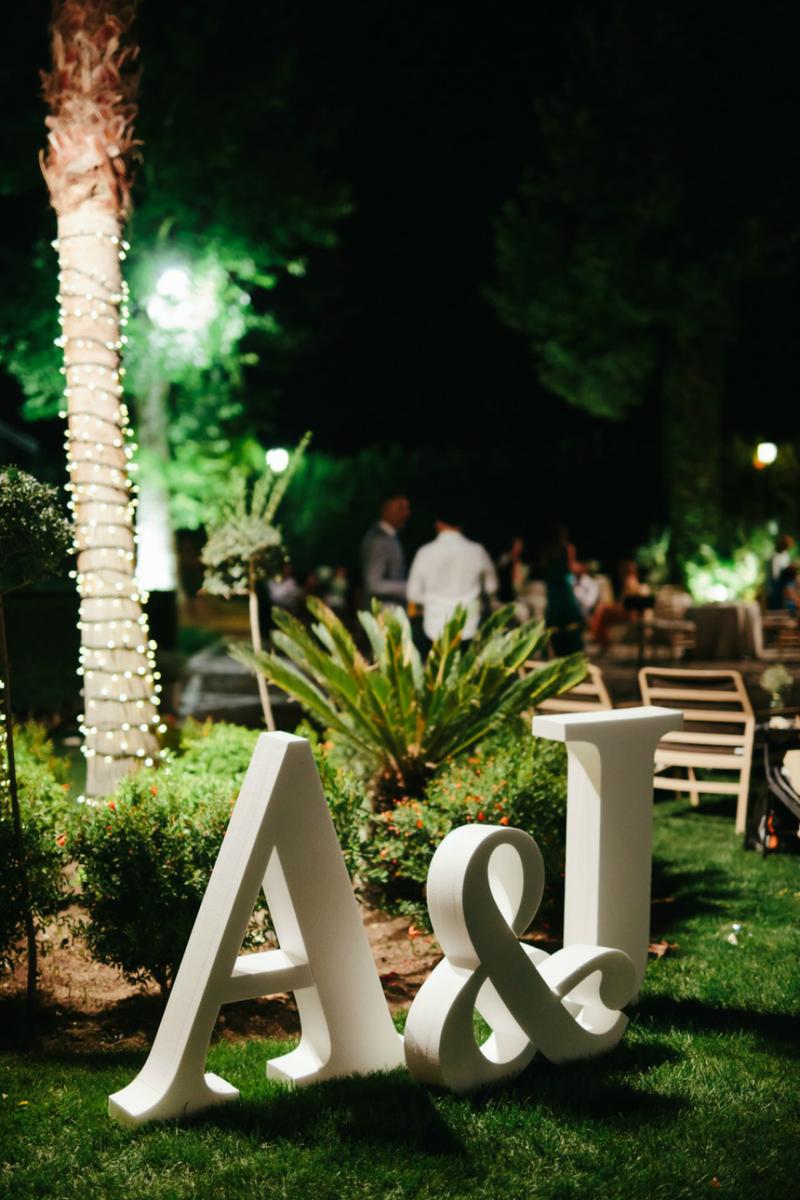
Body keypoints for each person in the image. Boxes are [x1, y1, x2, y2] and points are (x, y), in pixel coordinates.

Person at [406, 507, 498, 646]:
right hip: (469, 626)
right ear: (461, 525)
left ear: (438, 524)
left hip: (434, 627)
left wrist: (434, 599)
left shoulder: (425, 552)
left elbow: (413, 594)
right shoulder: (477, 551)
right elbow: (492, 587)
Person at [360, 494, 410, 607]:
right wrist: (409, 587)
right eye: (400, 508)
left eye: (407, 508)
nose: (406, 513)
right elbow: (373, 583)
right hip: (383, 615)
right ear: (386, 509)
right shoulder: (378, 539)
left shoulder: (390, 537)